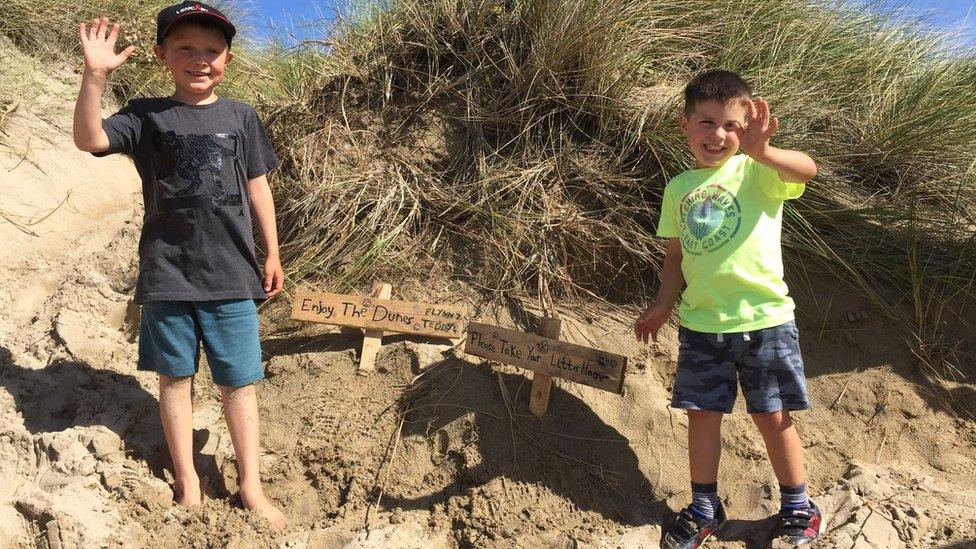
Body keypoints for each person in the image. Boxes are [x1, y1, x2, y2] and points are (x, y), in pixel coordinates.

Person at [72, 1, 287, 530]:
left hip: (233, 274)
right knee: (175, 379)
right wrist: (93, 77)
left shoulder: (241, 116)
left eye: (212, 51)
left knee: (239, 383)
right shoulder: (146, 114)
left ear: (228, 60)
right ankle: (188, 481)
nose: (200, 59)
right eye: (186, 48)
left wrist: (273, 250)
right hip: (167, 273)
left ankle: (250, 485)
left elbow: (258, 185)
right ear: (161, 54)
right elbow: (90, 138)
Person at [634, 70, 820, 549]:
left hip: (765, 320)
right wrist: (661, 306)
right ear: (685, 125)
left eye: (732, 126)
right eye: (707, 122)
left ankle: (798, 505)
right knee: (702, 416)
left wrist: (765, 152)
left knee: (773, 416)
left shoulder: (757, 170)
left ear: (746, 130)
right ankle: (704, 506)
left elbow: (807, 170)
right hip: (701, 324)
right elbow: (675, 256)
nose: (718, 135)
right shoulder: (678, 188)